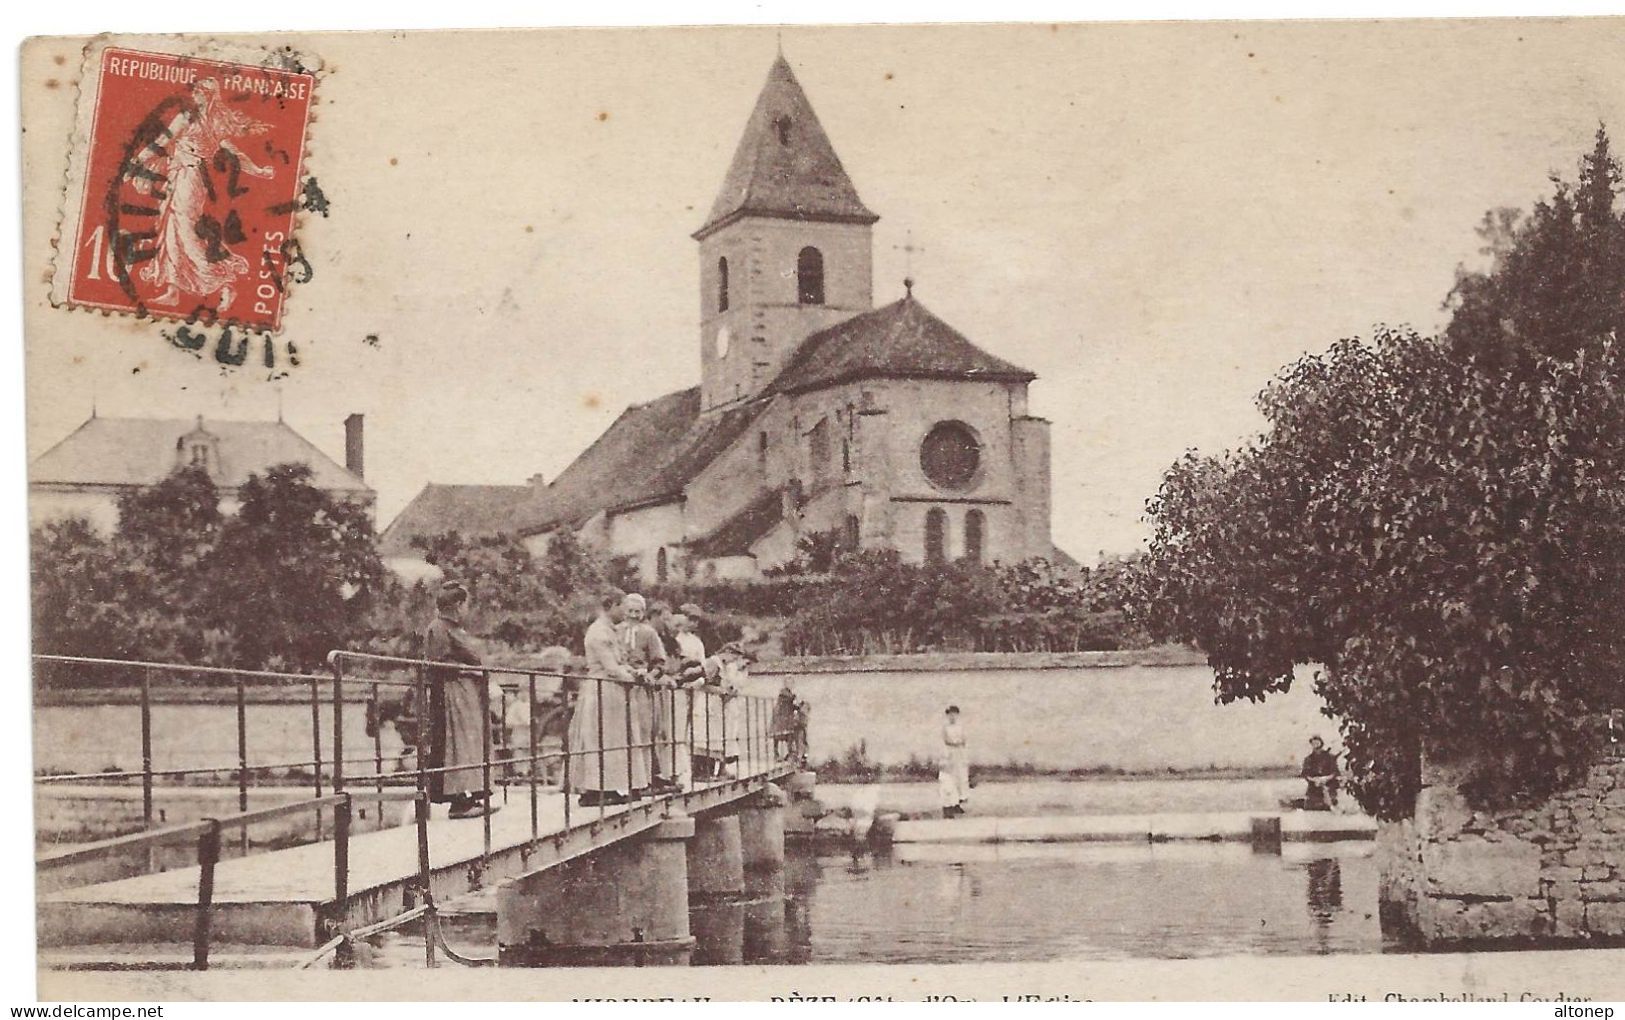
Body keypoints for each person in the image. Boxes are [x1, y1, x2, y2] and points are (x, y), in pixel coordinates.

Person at [133, 78, 276, 312]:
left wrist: (258, 171)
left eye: (201, 93)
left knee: (186, 232)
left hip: (190, 179)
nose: (197, 96)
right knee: (170, 229)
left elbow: (233, 152)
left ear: (209, 96)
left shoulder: (207, 122)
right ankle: (173, 290)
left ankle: (224, 283)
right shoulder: (190, 119)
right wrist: (137, 162)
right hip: (178, 177)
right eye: (196, 92)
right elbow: (161, 142)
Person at [420, 581, 498, 820]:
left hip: (466, 693)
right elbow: (439, 664)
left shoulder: (453, 628)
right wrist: (468, 670)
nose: (467, 610)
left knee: (469, 744)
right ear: (457, 605)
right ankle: (458, 800)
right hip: (452, 694)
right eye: (466, 604)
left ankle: (471, 795)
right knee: (457, 745)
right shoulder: (439, 629)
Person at [568, 592, 649, 806]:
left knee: (613, 739)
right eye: (622, 608)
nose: (624, 613)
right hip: (602, 689)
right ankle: (594, 789)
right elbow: (611, 667)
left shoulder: (609, 630)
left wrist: (634, 671)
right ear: (612, 605)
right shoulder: (598, 632)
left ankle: (609, 786)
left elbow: (618, 662)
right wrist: (633, 677)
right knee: (601, 738)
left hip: (613, 692)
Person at [621, 593, 682, 793]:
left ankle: (646, 778)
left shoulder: (648, 633)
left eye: (637, 611)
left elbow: (659, 663)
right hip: (620, 686)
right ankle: (624, 779)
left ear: (643, 613)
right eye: (630, 611)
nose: (633, 615)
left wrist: (650, 675)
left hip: (642, 689)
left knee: (645, 732)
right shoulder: (616, 631)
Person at [939, 706, 970, 818]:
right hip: (949, 754)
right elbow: (945, 740)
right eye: (950, 714)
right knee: (949, 780)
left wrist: (962, 750)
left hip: (959, 754)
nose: (952, 716)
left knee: (960, 779)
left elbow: (964, 740)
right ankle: (950, 805)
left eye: (954, 714)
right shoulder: (945, 728)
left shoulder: (961, 727)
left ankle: (957, 803)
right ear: (947, 716)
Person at [1301, 735, 1341, 811]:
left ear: (1321, 743)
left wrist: (1325, 779)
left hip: (1329, 786)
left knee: (1332, 805)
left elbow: (1335, 772)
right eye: (1313, 743)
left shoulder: (1330, 757)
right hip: (1314, 787)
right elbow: (1305, 774)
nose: (1315, 745)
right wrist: (1314, 780)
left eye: (1317, 743)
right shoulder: (1308, 759)